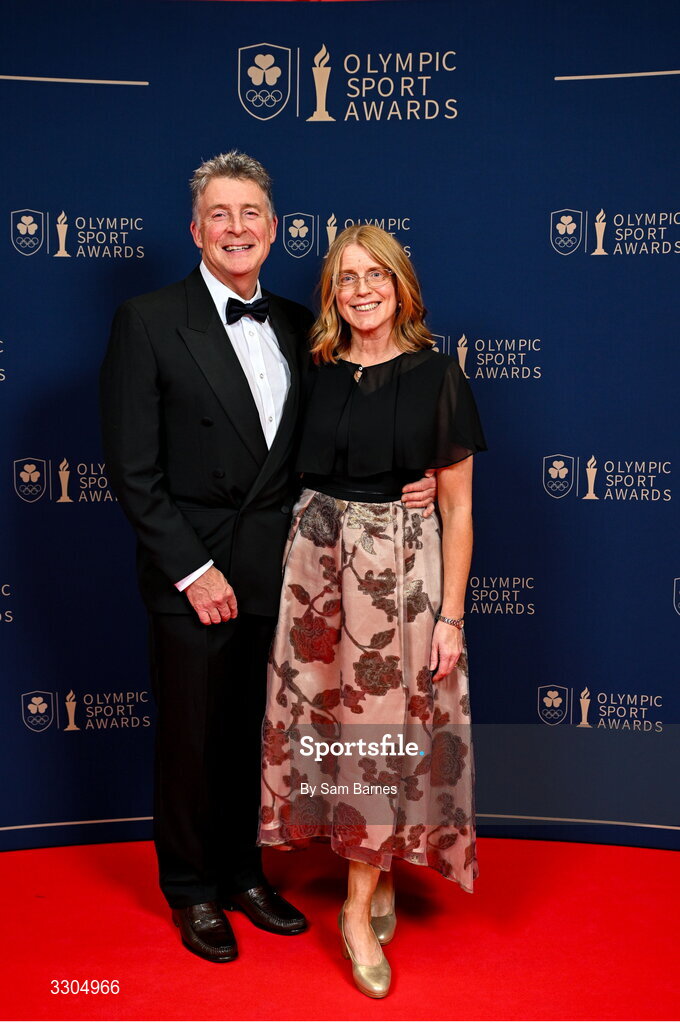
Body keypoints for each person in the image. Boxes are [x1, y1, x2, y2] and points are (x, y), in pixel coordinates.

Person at [100, 152, 436, 963]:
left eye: (252, 213)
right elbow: (132, 469)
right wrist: (189, 569)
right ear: (196, 229)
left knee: (262, 736)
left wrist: (415, 476)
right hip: (196, 574)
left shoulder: (299, 322)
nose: (237, 228)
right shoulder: (148, 319)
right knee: (190, 737)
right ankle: (192, 889)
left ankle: (245, 872)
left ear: (274, 229)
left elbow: (341, 439)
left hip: (288, 574)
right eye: (221, 214)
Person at [259, 224, 487, 997]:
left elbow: (457, 511)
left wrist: (451, 616)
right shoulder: (315, 369)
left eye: (375, 276)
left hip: (399, 574)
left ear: (401, 286)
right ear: (332, 292)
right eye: (346, 277)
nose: (361, 290)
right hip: (316, 569)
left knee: (381, 737)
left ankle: (355, 910)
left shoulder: (437, 374)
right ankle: (375, 869)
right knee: (333, 734)